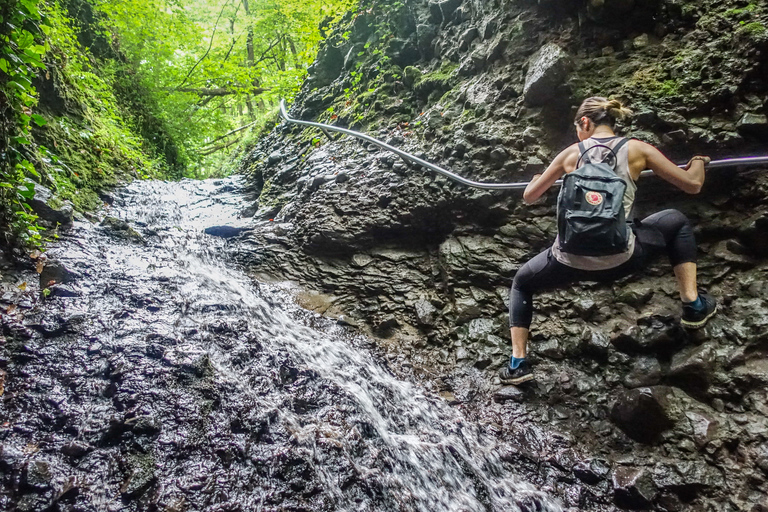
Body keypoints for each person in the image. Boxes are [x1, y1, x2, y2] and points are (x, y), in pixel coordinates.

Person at [499, 96, 718, 385]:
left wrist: (540, 177)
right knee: (675, 220)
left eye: (578, 127)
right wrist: (698, 162)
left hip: (568, 260)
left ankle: (518, 364)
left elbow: (529, 197)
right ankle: (693, 304)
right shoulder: (637, 149)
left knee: (522, 282)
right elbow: (692, 184)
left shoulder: (569, 154)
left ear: (585, 122)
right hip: (623, 256)